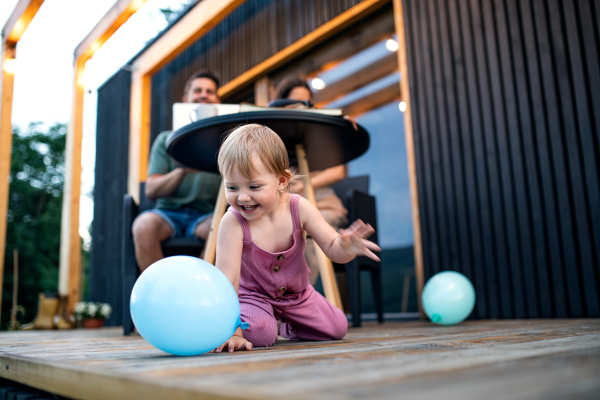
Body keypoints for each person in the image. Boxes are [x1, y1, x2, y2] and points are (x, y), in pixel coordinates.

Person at [213, 124, 380, 351]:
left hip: (298, 295)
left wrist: (345, 247)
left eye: (254, 186)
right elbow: (227, 282)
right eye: (232, 187)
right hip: (251, 297)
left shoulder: (299, 207)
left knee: (336, 327)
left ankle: (289, 325)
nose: (242, 197)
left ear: (281, 181)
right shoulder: (232, 222)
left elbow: (332, 247)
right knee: (260, 334)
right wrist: (232, 332)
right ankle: (265, 321)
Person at [131, 70, 222, 271]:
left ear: (217, 100)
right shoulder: (167, 139)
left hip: (207, 215)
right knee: (142, 226)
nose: (204, 95)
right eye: (197, 90)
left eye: (210, 91)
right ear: (186, 100)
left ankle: (196, 288)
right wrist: (181, 171)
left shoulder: (224, 141)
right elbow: (151, 190)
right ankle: (163, 294)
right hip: (167, 213)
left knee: (226, 229)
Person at [273, 77, 349, 285]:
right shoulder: (273, 137)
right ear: (281, 104)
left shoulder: (320, 132)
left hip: (322, 202)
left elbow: (339, 171)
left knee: (306, 228)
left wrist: (305, 184)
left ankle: (302, 298)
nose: (301, 108)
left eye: (306, 103)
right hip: (286, 206)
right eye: (295, 102)